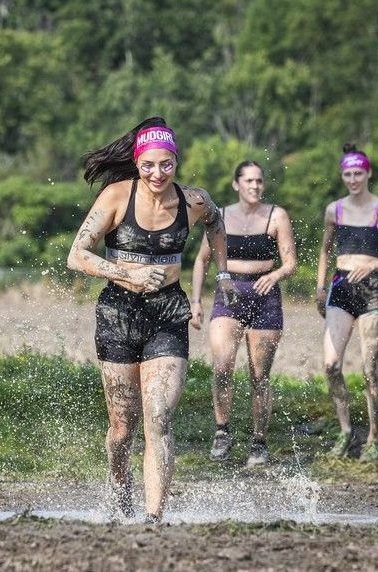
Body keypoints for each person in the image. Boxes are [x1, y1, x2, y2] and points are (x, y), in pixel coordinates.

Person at [68, 117, 238, 523]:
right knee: (122, 429)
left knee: (158, 416)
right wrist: (128, 274)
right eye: (148, 165)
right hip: (118, 313)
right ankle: (119, 487)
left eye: (166, 165)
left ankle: (153, 519)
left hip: (168, 314)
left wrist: (224, 274)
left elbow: (216, 223)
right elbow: (76, 255)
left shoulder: (194, 201)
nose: (157, 174)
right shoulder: (116, 196)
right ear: (137, 162)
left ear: (176, 161)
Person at [189, 161, 297, 466]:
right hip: (229, 293)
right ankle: (222, 431)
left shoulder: (277, 216)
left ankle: (259, 442)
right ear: (236, 184)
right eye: (249, 181)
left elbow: (291, 262)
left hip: (265, 295)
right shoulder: (220, 215)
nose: (255, 186)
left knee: (259, 375)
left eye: (259, 181)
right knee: (222, 364)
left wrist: (275, 275)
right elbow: (201, 261)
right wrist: (196, 302)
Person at [315, 144, 378, 462]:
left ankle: (374, 438)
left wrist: (372, 265)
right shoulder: (334, 210)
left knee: (369, 371)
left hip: (373, 291)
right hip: (340, 288)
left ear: (368, 173)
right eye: (348, 174)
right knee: (331, 365)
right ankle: (346, 430)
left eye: (358, 174)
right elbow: (325, 250)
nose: (353, 179)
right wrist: (320, 287)